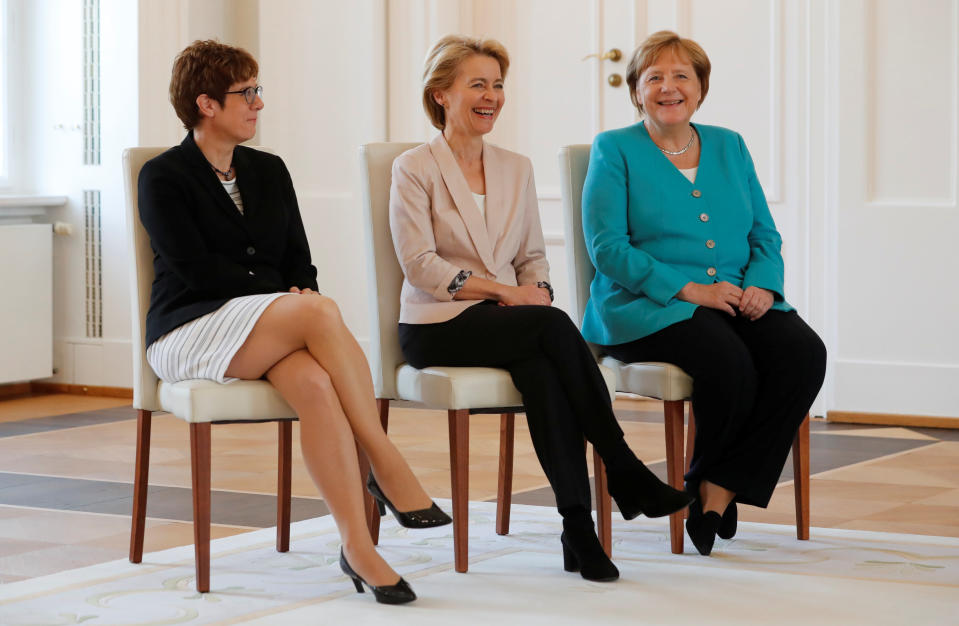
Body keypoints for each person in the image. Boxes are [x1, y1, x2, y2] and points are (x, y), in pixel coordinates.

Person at [138, 40, 450, 604]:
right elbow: (196, 271)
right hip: (189, 329)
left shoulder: (269, 169)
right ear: (206, 104)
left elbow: (300, 261)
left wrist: (289, 294)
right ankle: (383, 458)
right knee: (315, 309)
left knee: (314, 383)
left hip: (264, 322)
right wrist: (286, 296)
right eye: (246, 93)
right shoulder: (163, 176)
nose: (259, 103)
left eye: (257, 91)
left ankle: (359, 547)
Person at [389, 34, 693, 583]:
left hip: (511, 325)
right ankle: (622, 468)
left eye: (498, 85)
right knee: (550, 329)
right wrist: (507, 293)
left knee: (544, 374)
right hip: (437, 324)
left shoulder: (515, 166)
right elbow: (419, 265)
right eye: (477, 84)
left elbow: (533, 255)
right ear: (440, 95)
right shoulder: (414, 167)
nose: (492, 96)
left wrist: (538, 290)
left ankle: (577, 525)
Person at [581, 31, 827, 556]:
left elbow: (764, 231)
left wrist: (762, 282)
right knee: (729, 360)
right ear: (636, 92)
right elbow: (607, 249)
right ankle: (710, 487)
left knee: (803, 352)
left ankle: (717, 487)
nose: (668, 88)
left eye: (681, 77)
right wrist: (690, 289)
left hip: (736, 296)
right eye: (654, 78)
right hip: (647, 306)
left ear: (700, 88)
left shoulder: (729, 144)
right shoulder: (614, 148)